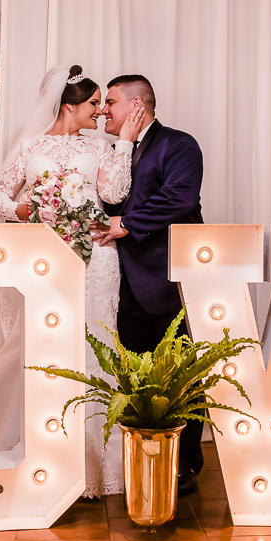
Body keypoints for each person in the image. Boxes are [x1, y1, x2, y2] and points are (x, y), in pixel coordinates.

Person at [0, 65, 144, 497]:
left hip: (96, 263)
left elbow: (113, 195)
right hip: (43, 259)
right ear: (69, 105)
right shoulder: (31, 146)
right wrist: (23, 211)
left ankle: (96, 467)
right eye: (94, 104)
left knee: (93, 347)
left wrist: (124, 145)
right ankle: (43, 454)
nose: (100, 113)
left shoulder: (101, 148)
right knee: (45, 347)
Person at [92, 74, 205, 496]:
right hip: (120, 284)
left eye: (112, 101)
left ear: (139, 106)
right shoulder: (111, 150)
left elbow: (180, 198)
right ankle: (142, 458)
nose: (103, 109)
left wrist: (127, 224)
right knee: (135, 377)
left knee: (181, 375)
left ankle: (186, 465)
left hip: (167, 280)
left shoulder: (179, 144)